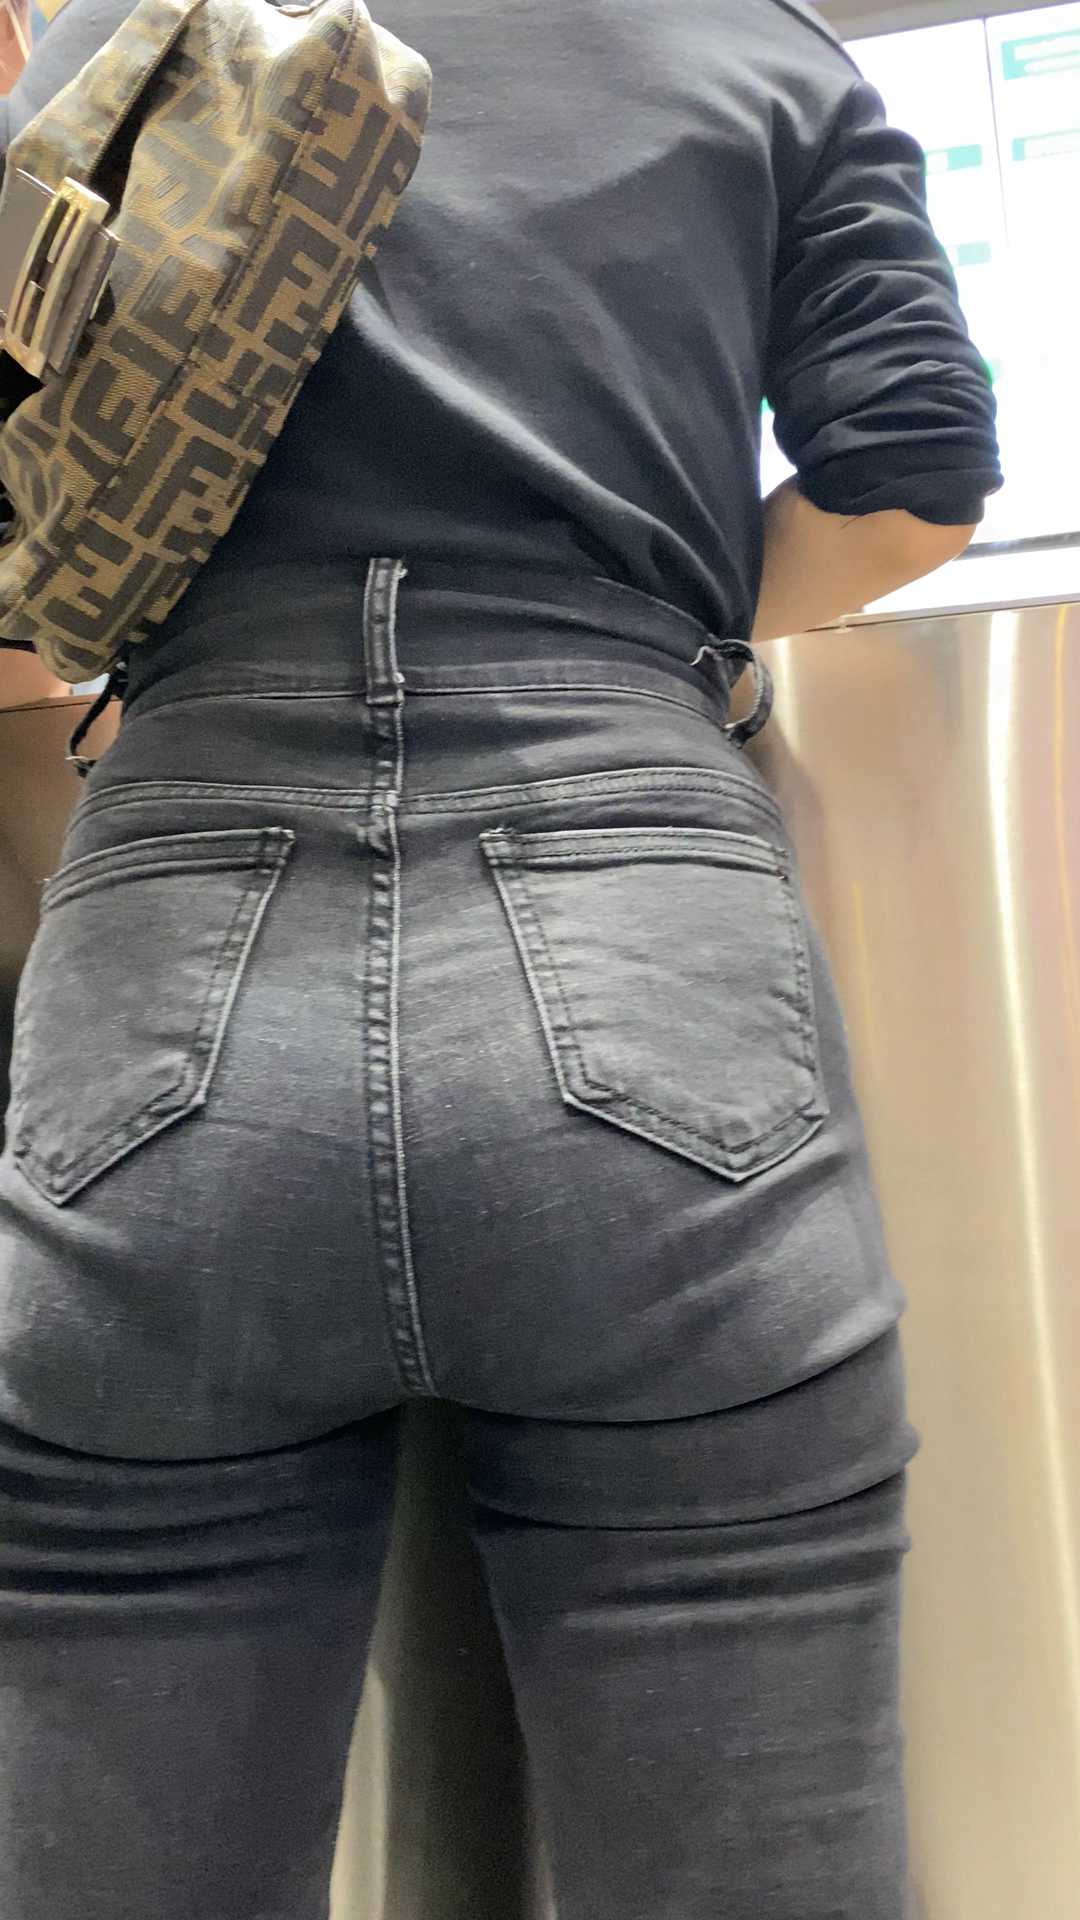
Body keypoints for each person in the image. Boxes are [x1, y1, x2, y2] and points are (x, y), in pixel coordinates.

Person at [0, 2, 1001, 1917]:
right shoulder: (763, 50)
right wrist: (641, 620)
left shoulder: (122, 46)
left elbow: (20, 562)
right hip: (645, 927)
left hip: (172, 956)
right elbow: (911, 483)